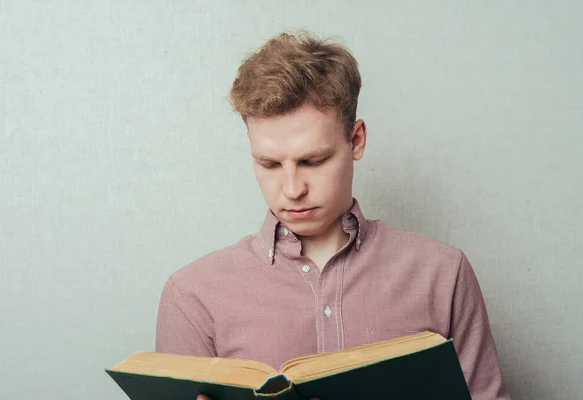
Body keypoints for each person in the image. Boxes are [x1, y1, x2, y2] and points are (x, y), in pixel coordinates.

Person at [155, 31, 511, 400]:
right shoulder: (193, 295)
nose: (292, 189)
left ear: (356, 141)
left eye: (313, 161)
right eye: (270, 164)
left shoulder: (442, 273)